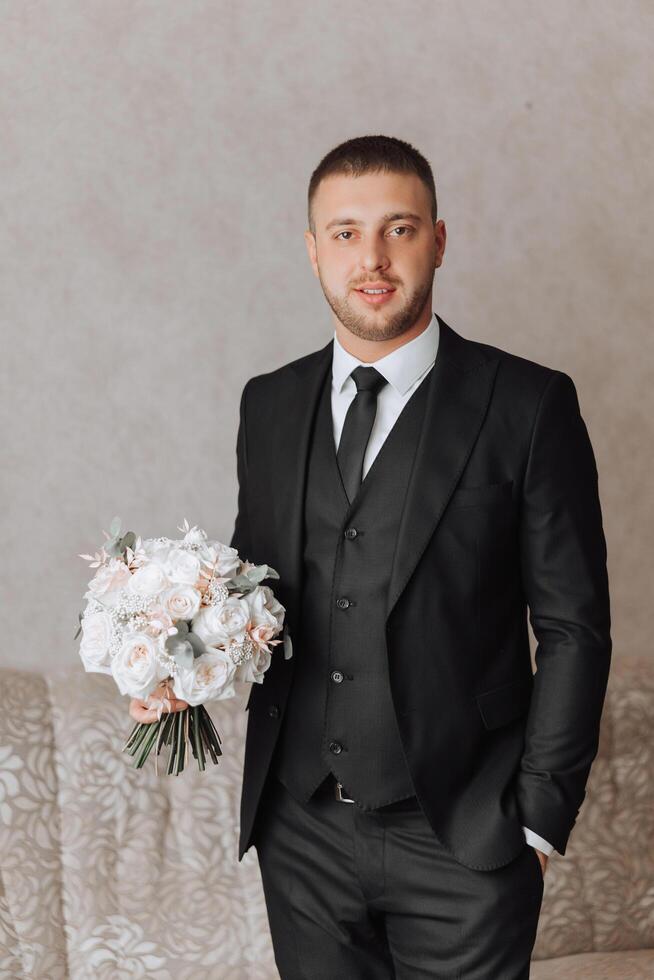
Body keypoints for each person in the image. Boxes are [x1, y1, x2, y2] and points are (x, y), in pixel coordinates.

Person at [131, 134, 612, 979]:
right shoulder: (270, 405)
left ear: (438, 239)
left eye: (399, 228)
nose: (373, 258)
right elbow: (256, 593)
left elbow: (574, 628)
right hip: (303, 834)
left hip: (466, 837)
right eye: (346, 233)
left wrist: (536, 822)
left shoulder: (529, 404)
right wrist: (179, 666)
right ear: (313, 249)